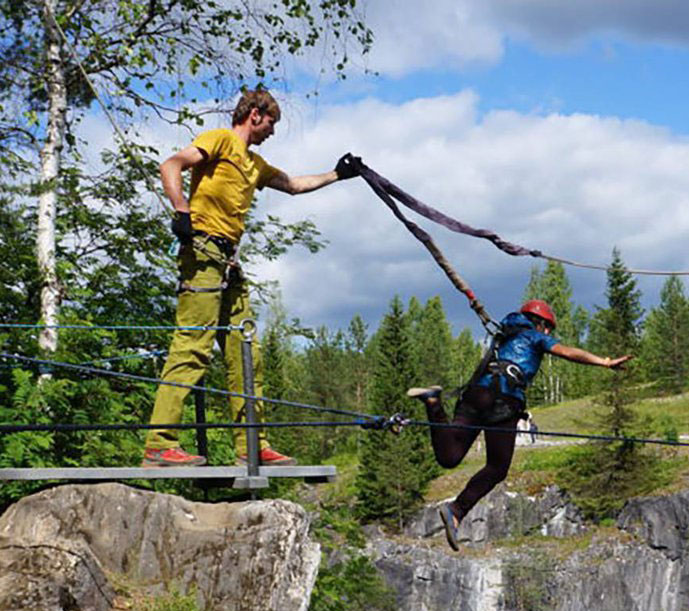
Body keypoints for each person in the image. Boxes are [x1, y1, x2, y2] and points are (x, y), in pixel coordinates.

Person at [142, 87, 360, 467]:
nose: (272, 132)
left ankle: (252, 447)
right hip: (203, 252)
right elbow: (171, 164)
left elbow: (293, 185)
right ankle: (159, 444)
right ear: (255, 114)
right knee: (193, 344)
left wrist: (338, 175)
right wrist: (181, 209)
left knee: (245, 352)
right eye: (272, 123)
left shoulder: (255, 164)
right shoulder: (221, 140)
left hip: (228, 262)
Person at [408, 300, 632, 551]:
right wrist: (604, 362)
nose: (548, 334)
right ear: (541, 324)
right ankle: (457, 509)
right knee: (497, 467)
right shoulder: (534, 336)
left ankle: (433, 403)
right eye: (547, 329)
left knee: (449, 457)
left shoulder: (505, 335)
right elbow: (568, 352)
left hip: (474, 395)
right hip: (501, 400)